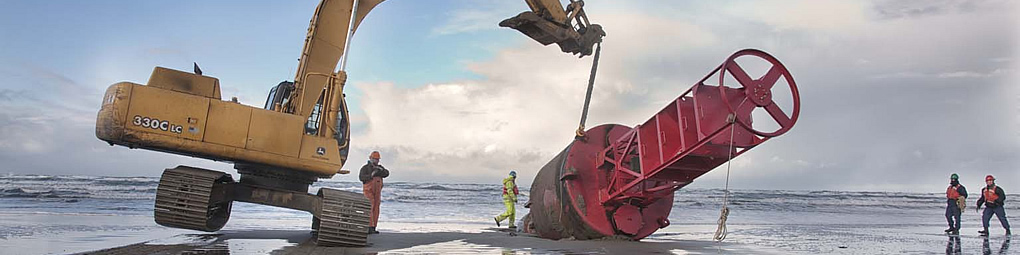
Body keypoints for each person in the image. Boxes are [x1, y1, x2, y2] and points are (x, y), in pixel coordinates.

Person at [359, 151, 389, 234]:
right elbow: (361, 178)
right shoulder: (365, 168)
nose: (377, 161)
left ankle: (374, 227)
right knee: (370, 207)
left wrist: (381, 170)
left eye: (378, 159)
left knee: (376, 208)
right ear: (371, 158)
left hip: (378, 191)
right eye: (375, 159)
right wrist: (371, 175)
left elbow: (386, 173)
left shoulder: (380, 168)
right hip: (368, 190)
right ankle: (369, 227)